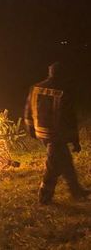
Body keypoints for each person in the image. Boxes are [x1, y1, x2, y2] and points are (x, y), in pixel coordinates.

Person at [24, 60, 89, 204]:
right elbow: (69, 119)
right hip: (56, 135)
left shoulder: (35, 88)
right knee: (53, 166)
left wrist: (31, 130)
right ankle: (44, 196)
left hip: (41, 133)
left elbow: (28, 110)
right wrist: (75, 141)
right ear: (63, 74)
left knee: (64, 161)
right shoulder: (64, 91)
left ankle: (76, 190)